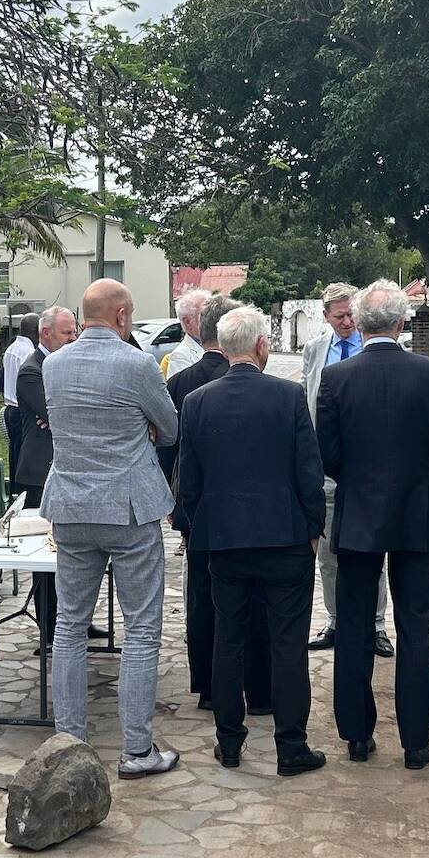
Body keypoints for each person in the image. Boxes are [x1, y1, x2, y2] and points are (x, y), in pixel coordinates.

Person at [317, 279, 429, 769]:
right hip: (417, 509)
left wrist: (360, 481)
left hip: (357, 511)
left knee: (354, 624)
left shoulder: (337, 379)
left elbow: (327, 455)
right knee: (416, 626)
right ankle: (416, 742)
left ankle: (357, 734)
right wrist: (419, 478)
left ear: (357, 322)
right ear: (402, 323)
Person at [179, 307, 327, 777]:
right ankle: (291, 745)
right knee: (287, 643)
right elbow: (309, 472)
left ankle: (229, 741)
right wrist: (312, 529)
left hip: (223, 539)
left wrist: (194, 529)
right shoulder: (288, 396)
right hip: (283, 537)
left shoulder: (198, 401)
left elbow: (191, 480)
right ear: (262, 345)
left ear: (224, 347)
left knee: (229, 638)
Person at [43, 278, 181, 779]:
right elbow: (170, 428)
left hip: (72, 505)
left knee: (68, 627)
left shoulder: (54, 364)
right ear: (123, 316)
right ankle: (138, 751)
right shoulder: (138, 363)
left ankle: (68, 742)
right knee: (141, 629)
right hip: (127, 506)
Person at [163, 296, 270, 716]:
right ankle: (258, 688)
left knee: (203, 599)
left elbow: (171, 454)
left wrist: (179, 509)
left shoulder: (180, 383)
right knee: (255, 602)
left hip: (201, 513)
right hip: (257, 517)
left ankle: (208, 685)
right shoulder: (264, 385)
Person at [303, 282, 390, 656]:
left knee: (374, 551)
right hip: (326, 469)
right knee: (328, 552)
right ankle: (336, 620)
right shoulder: (315, 350)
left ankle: (376, 625)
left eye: (351, 314)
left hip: (368, 469)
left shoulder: (378, 348)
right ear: (325, 316)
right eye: (339, 316)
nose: (347, 321)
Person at [12, 305, 78, 644]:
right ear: (46, 334)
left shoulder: (63, 368)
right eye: (67, 333)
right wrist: (58, 413)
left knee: (73, 553)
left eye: (75, 331)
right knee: (46, 554)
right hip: (39, 472)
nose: (74, 338)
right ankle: (49, 627)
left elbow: (69, 411)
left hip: (67, 467)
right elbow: (57, 413)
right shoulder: (31, 371)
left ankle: (74, 619)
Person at [2, 313, 37, 483]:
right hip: (20, 409)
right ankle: (21, 488)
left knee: (14, 452)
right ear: (36, 331)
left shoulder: (12, 348)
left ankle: (15, 489)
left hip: (10, 407)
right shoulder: (28, 352)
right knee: (23, 453)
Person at [161, 287, 209, 378]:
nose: (212, 319)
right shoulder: (180, 357)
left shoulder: (222, 344)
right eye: (205, 314)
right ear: (188, 322)